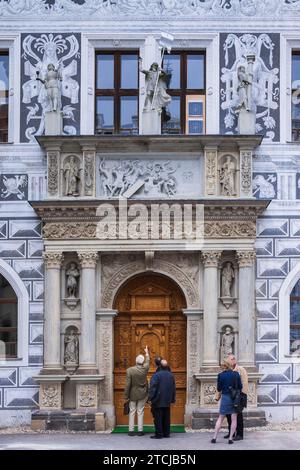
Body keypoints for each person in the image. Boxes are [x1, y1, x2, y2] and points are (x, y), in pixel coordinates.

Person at [211, 358, 242, 445]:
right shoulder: (236, 374)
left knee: (220, 418)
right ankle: (230, 439)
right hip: (234, 398)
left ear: (223, 365)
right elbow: (240, 386)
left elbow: (219, 388)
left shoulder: (220, 375)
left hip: (225, 398)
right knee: (234, 418)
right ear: (230, 365)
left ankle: (214, 437)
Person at [124, 346, 150, 436]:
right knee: (140, 411)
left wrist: (126, 396)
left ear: (136, 361)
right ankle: (140, 430)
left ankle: (131, 430)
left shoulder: (130, 370)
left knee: (132, 411)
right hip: (143, 394)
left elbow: (127, 384)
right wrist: (147, 353)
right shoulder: (145, 369)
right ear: (142, 362)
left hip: (133, 394)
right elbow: (147, 362)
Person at [224, 354, 249, 441]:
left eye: (232, 359)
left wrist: (241, 395)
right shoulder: (227, 371)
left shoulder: (241, 369)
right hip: (229, 396)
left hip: (238, 396)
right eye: (229, 359)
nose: (232, 361)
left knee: (238, 415)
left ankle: (239, 434)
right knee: (228, 415)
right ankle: (231, 432)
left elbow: (245, 383)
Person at [148, 359, 176, 439]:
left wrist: (150, 398)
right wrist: (173, 399)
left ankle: (159, 434)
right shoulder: (171, 375)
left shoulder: (156, 375)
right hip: (167, 400)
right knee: (166, 417)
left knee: (158, 418)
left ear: (160, 366)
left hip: (158, 399)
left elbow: (153, 388)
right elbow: (173, 388)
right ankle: (166, 433)